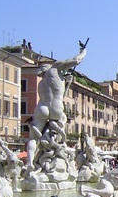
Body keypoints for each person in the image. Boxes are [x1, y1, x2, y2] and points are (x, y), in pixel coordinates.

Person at [25, 44, 87, 174]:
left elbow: (52, 96)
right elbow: (76, 61)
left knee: (33, 139)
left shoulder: (41, 83)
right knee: (62, 120)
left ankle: (30, 163)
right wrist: (83, 52)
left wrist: (67, 83)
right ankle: (59, 141)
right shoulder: (55, 67)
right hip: (56, 108)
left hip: (42, 108)